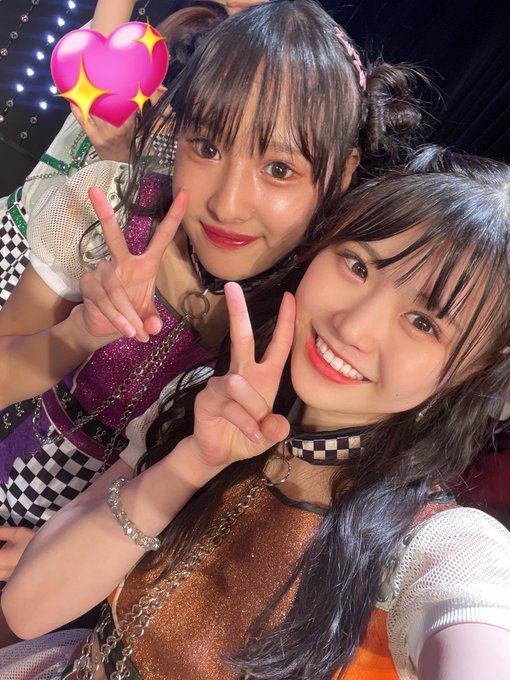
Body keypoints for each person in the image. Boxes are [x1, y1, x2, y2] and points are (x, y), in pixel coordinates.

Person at [3, 146, 510, 679]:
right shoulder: (204, 395)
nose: (353, 327)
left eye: (424, 323)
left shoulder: (431, 543)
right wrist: (192, 463)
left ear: (477, 366)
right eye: (357, 265)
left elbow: (477, 617)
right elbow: (27, 608)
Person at [0, 0, 423, 564]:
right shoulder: (111, 214)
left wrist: (58, 554)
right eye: (206, 147)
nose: (228, 203)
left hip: (104, 572)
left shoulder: (316, 321)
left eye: (279, 169)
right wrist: (78, 334)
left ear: (342, 172)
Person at [0, 0, 229, 307]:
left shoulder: (181, 165)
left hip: (58, 289)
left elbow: (130, 242)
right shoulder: (99, 90)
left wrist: (121, 159)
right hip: (12, 231)